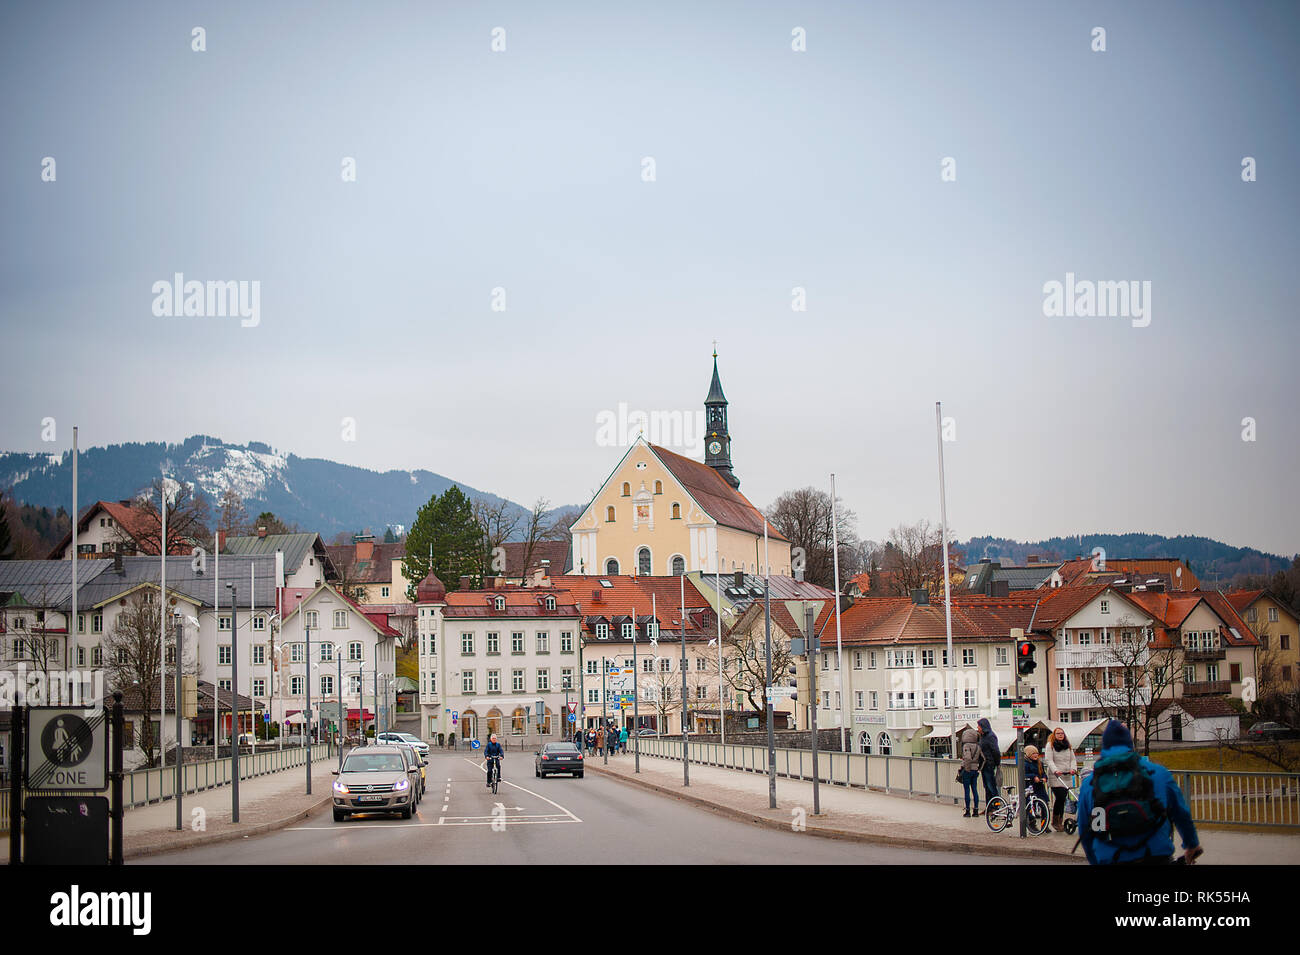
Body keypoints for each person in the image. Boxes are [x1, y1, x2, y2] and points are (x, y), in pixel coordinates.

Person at [1077, 721, 1201, 865]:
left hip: (1111, 858)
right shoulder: (1159, 773)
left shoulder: (1089, 784)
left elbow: (1085, 830)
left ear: (1104, 746)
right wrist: (1191, 844)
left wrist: (1095, 861)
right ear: (1130, 744)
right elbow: (1181, 813)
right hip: (1155, 856)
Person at [1045, 726, 1078, 832]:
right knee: (1060, 797)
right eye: (1058, 733)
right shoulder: (1050, 745)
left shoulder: (1068, 746)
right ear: (1054, 735)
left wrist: (1073, 769)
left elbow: (1073, 759)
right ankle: (1055, 821)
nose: (1060, 735)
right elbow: (1049, 760)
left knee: (1063, 798)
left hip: (1066, 775)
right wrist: (1055, 770)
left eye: (1062, 733)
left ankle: (1060, 820)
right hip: (1056, 776)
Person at [976, 717, 1001, 802]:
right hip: (984, 765)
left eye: (978, 726)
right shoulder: (983, 736)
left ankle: (996, 805)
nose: (977, 728)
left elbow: (996, 751)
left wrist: (997, 763)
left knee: (991, 786)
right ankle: (989, 807)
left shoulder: (990, 736)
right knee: (987, 786)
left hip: (989, 764)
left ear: (982, 726)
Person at [959, 725, 982, 816]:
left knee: (967, 790)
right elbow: (983, 758)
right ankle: (976, 810)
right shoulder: (978, 746)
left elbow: (967, 758)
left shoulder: (966, 746)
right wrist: (978, 768)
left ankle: (968, 810)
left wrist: (966, 769)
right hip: (975, 770)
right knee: (975, 790)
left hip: (968, 770)